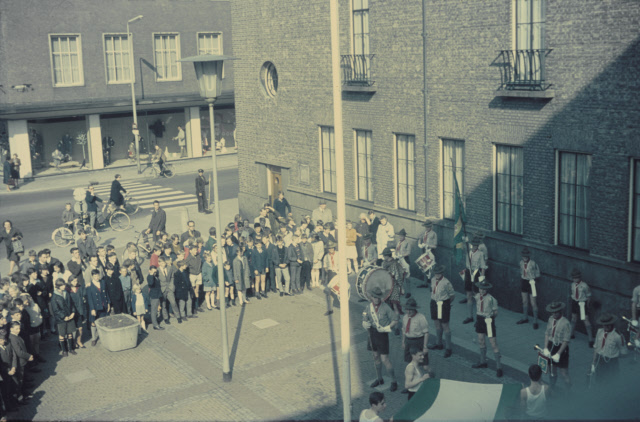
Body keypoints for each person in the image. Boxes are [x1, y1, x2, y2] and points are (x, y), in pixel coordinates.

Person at [363, 287, 399, 392]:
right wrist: (365, 323)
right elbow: (365, 317)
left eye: (378, 297)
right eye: (374, 297)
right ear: (372, 297)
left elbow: (395, 319)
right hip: (372, 333)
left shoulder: (385, 307)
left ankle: (394, 381)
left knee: (385, 359)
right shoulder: (368, 307)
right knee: (375, 357)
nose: (376, 299)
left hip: (382, 334)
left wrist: (388, 328)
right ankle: (379, 378)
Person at [471, 281, 503, 377]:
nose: (482, 290)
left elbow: (496, 312)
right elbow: (470, 293)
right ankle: (483, 361)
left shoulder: (491, 299)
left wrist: (490, 317)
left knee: (493, 343)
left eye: (484, 289)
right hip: (480, 319)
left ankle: (499, 367)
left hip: (488, 321)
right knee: (481, 340)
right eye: (480, 288)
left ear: (487, 289)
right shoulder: (477, 296)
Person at [427, 265, 455, 358]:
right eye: (435, 273)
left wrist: (446, 304)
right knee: (437, 323)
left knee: (445, 325)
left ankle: (448, 348)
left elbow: (452, 295)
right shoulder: (432, 280)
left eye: (439, 273)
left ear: (442, 273)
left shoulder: (446, 282)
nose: (437, 275)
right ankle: (438, 343)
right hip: (434, 303)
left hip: (443, 304)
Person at [542, 301, 571, 388]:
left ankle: (569, 391)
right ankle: (552, 387)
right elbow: (547, 333)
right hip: (551, 346)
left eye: (556, 311)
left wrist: (558, 354)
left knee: (564, 372)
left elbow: (566, 341)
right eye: (553, 311)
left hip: (561, 347)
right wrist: (546, 348)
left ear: (560, 311)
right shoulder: (550, 319)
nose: (554, 313)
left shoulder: (566, 323)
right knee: (552, 370)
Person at [590, 313, 625, 386]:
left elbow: (623, 350)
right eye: (604, 325)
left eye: (608, 324)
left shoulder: (617, 336)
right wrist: (593, 363)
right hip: (601, 360)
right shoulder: (599, 332)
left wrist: (616, 354)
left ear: (612, 324)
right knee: (599, 380)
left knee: (612, 382)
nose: (606, 326)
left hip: (612, 361)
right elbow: (596, 348)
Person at [402, 298, 430, 380]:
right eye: (407, 309)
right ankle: (413, 382)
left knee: (425, 366)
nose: (408, 312)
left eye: (410, 310)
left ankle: (431, 377)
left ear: (414, 309)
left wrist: (425, 346)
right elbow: (404, 330)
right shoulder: (405, 317)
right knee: (411, 365)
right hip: (408, 342)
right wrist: (403, 342)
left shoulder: (421, 318)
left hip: (418, 342)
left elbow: (426, 333)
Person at [461, 237, 487, 325]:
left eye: (476, 245)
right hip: (468, 272)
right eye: (473, 245)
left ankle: (480, 318)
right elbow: (463, 245)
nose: (474, 246)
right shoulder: (468, 251)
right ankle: (470, 316)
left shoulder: (480, 254)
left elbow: (483, 266)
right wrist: (465, 240)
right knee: (468, 295)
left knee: (477, 296)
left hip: (476, 274)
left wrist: (482, 279)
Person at [381, 247, 404, 335]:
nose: (383, 257)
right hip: (392, 287)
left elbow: (397, 276)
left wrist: (400, 287)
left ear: (387, 255)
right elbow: (398, 277)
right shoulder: (393, 263)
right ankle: (395, 325)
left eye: (384, 255)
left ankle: (396, 326)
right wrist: (400, 286)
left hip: (389, 287)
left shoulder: (391, 264)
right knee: (393, 307)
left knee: (393, 307)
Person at [51, 279, 77, 357]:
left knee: (70, 333)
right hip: (61, 320)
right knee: (62, 334)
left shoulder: (67, 293)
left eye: (64, 285)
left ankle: (71, 349)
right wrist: (64, 317)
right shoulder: (54, 297)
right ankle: (64, 350)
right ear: (58, 286)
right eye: (62, 285)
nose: (64, 286)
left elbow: (72, 304)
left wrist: (73, 312)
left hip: (70, 316)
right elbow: (56, 310)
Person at [569, 268, 594, 347]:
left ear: (579, 277)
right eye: (573, 278)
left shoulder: (584, 286)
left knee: (585, 320)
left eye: (576, 277)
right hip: (574, 302)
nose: (575, 279)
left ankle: (590, 339)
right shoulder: (572, 285)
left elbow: (588, 296)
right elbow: (573, 293)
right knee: (573, 318)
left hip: (582, 303)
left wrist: (587, 305)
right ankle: (571, 334)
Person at [517, 247, 540, 329]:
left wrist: (533, 279)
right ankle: (525, 318)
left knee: (533, 302)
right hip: (524, 281)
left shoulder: (533, 263)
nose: (524, 257)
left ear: (528, 256)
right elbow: (521, 271)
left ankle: (535, 321)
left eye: (526, 256)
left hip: (532, 282)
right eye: (523, 256)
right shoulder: (521, 263)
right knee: (524, 301)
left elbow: (538, 274)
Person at [86, 269, 111, 346]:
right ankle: (94, 338)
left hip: (103, 305)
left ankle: (103, 336)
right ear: (92, 276)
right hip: (95, 307)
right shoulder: (90, 286)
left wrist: (108, 303)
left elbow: (106, 293)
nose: (97, 277)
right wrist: (92, 309)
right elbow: (89, 298)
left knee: (103, 321)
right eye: (95, 276)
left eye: (97, 275)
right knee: (93, 323)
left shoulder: (103, 282)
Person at [158, 257, 179, 325]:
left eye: (165, 263)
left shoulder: (169, 268)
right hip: (162, 289)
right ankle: (166, 318)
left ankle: (178, 316)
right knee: (163, 305)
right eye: (162, 263)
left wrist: (172, 286)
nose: (164, 264)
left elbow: (172, 277)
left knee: (173, 302)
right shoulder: (157, 270)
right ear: (159, 263)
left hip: (169, 288)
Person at [68, 276, 86, 348]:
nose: (75, 283)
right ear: (70, 281)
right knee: (73, 329)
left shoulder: (80, 288)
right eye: (73, 281)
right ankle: (74, 342)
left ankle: (79, 341)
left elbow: (84, 296)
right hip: (72, 312)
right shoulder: (67, 290)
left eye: (76, 281)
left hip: (79, 311)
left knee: (80, 328)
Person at [417, 220, 437, 287]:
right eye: (426, 227)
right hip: (423, 251)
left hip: (430, 252)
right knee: (424, 267)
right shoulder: (424, 233)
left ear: (431, 227)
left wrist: (428, 246)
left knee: (431, 268)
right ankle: (424, 283)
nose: (426, 228)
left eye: (428, 227)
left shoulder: (434, 234)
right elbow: (419, 238)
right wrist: (419, 244)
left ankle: (433, 284)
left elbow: (435, 246)